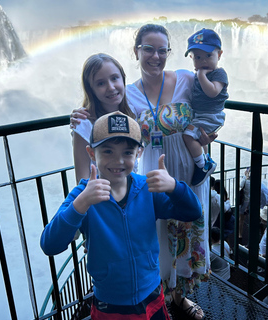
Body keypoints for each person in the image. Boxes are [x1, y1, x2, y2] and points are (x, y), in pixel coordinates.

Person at [40, 112, 202, 320]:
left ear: (139, 153)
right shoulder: (83, 195)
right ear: (91, 153)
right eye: (107, 151)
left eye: (127, 152)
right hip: (111, 305)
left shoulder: (147, 188)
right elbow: (49, 244)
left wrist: (174, 187)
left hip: (152, 294)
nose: (118, 161)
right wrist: (80, 205)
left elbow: (193, 212)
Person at [129, 24, 214, 319]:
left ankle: (180, 298)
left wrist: (208, 133)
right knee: (162, 234)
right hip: (154, 169)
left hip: (190, 169)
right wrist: (79, 117)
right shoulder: (128, 95)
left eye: (162, 50)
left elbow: (215, 101)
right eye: (148, 49)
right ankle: (161, 297)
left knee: (189, 230)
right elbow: (102, 112)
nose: (156, 56)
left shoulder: (187, 80)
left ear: (169, 52)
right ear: (136, 51)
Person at [70, 53, 136, 183]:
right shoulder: (84, 124)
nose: (111, 87)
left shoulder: (132, 112)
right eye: (101, 83)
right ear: (91, 89)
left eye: (115, 78)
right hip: (102, 195)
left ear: (123, 79)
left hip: (132, 193)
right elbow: (82, 180)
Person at [182, 28, 228, 186]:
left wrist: (201, 76)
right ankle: (206, 159)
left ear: (219, 55)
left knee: (188, 135)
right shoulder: (198, 75)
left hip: (211, 115)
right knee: (199, 138)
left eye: (208, 56)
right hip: (201, 114)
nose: (203, 61)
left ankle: (202, 166)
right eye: (198, 57)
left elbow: (213, 92)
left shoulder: (219, 74)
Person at [238, 167, 268, 245]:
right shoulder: (256, 182)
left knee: (241, 218)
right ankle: (261, 236)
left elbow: (240, 185)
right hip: (252, 203)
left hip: (244, 202)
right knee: (253, 221)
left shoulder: (245, 180)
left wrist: (245, 177)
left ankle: (240, 235)